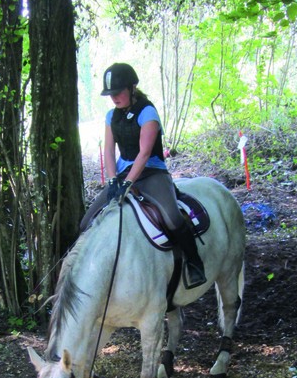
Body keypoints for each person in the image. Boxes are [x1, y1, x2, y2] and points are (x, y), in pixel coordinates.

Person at [80, 62, 206, 288]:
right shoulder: (111, 116)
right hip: (121, 174)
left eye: (118, 93)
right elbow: (109, 150)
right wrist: (112, 180)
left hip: (152, 172)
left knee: (172, 217)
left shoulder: (148, 112)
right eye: (111, 94)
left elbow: (145, 152)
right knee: (86, 222)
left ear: (132, 87)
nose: (114, 98)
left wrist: (128, 183)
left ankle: (194, 263)